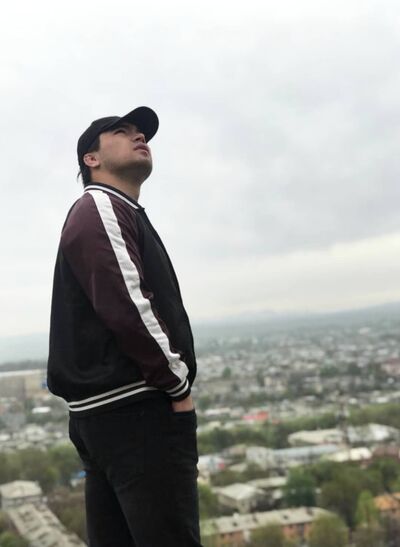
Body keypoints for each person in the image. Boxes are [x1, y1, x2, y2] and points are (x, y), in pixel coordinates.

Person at [47, 106, 202, 546]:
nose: (140, 137)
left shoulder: (118, 210)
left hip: (104, 416)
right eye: (122, 131)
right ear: (91, 159)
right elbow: (129, 304)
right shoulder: (101, 205)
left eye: (142, 133)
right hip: (136, 411)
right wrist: (177, 386)